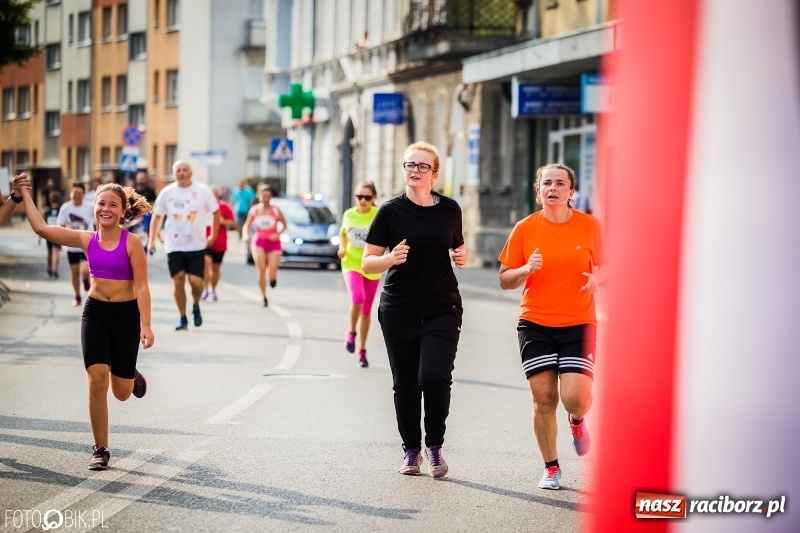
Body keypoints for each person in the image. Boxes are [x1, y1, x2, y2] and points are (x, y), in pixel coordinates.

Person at [15, 172, 154, 471]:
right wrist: (24, 194)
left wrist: (146, 325)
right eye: (101, 203)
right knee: (96, 380)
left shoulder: (132, 244)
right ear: (94, 208)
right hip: (95, 315)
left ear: (122, 210)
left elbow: (141, 286)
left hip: (126, 317)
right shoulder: (85, 240)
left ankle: (129, 374)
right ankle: (101, 449)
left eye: (113, 205)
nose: (106, 209)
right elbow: (41, 228)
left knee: (121, 392)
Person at [497, 163, 607, 491]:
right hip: (535, 322)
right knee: (544, 397)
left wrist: (597, 278)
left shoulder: (590, 226)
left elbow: (609, 266)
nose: (553, 188)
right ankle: (551, 466)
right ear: (538, 190)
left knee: (576, 399)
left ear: (571, 192)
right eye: (547, 183)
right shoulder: (525, 228)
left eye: (561, 183)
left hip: (578, 323)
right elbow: (504, 280)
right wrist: (525, 270)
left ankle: (577, 421)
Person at [362, 141, 467, 479]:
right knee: (405, 383)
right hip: (399, 310)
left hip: (442, 307)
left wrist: (460, 256)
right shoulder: (389, 212)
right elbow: (368, 263)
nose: (415, 171)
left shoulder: (450, 209)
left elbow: (458, 244)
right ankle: (411, 450)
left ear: (434, 174)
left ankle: (434, 446)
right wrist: (390, 258)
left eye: (423, 166)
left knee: (434, 377)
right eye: (410, 164)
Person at [148, 160, 220, 330]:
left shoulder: (202, 191)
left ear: (191, 172)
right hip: (174, 245)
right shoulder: (167, 192)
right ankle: (182, 317)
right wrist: (152, 239)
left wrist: (213, 235)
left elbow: (216, 212)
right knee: (178, 281)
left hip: (196, 245)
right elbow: (157, 217)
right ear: (174, 173)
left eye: (184, 170)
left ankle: (195, 304)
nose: (181, 173)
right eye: (178, 170)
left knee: (196, 282)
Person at [337, 181, 381, 368]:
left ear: (374, 199)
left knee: (366, 311)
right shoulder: (349, 214)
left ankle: (362, 350)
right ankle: (351, 331)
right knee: (357, 298)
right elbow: (343, 233)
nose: (363, 201)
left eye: (367, 197)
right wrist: (341, 247)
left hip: (372, 265)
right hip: (351, 262)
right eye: (359, 197)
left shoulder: (378, 215)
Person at [242, 184, 286, 307]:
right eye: (263, 195)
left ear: (271, 197)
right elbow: (247, 225)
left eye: (267, 196)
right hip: (259, 242)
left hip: (273, 242)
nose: (265, 198)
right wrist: (245, 235)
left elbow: (284, 225)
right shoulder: (254, 210)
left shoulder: (276, 210)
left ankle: (272, 278)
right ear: (259, 195)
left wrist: (278, 234)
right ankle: (264, 296)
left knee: (271, 270)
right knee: (261, 270)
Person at [57, 182, 95, 307]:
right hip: (71, 245)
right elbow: (60, 226)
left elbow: (98, 223)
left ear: (83, 194)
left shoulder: (90, 207)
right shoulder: (65, 208)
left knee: (84, 270)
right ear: (70, 193)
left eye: (80, 193)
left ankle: (85, 280)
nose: (77, 196)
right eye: (75, 193)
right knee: (74, 272)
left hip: (86, 244)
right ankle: (77, 296)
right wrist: (58, 242)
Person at [202, 186, 235, 302]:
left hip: (219, 242)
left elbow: (232, 222)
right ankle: (205, 289)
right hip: (204, 241)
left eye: (214, 194)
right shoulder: (201, 207)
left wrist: (222, 221)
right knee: (206, 265)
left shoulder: (223, 206)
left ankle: (213, 290)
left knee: (215, 268)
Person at [41, 190, 63, 279]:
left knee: (49, 252)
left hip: (48, 233)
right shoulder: (61, 210)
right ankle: (55, 271)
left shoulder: (47, 210)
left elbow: (43, 223)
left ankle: (49, 269)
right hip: (58, 234)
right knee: (56, 253)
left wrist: (40, 237)